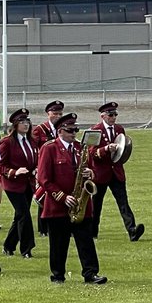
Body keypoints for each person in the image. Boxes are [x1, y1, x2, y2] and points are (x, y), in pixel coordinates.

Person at [36, 113, 106, 284]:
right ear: (60, 131)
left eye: (75, 129)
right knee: (58, 243)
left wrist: (91, 173)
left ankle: (90, 273)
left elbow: (89, 169)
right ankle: (57, 274)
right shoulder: (49, 148)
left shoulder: (80, 147)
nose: (74, 133)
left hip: (80, 203)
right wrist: (62, 197)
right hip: (58, 205)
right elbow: (44, 179)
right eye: (70, 130)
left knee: (86, 241)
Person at [88, 101, 144, 241]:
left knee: (123, 203)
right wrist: (105, 149)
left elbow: (123, 149)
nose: (114, 117)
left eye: (115, 115)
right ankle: (92, 232)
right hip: (100, 173)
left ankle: (132, 231)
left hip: (116, 172)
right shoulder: (95, 130)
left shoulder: (119, 129)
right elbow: (91, 153)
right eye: (111, 115)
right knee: (96, 204)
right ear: (103, 116)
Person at [0, 108, 37, 258]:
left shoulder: (32, 141)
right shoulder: (7, 142)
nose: (26, 124)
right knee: (24, 215)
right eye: (22, 122)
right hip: (13, 184)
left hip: (28, 184)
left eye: (27, 121)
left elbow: (34, 161)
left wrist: (36, 169)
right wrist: (13, 172)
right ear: (15, 125)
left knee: (19, 216)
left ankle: (8, 246)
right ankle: (26, 249)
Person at [31, 100, 65, 238]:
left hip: (59, 166)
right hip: (43, 166)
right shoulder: (40, 130)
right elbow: (34, 149)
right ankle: (43, 227)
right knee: (43, 195)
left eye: (60, 113)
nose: (57, 116)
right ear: (48, 113)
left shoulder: (63, 127)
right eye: (55, 113)